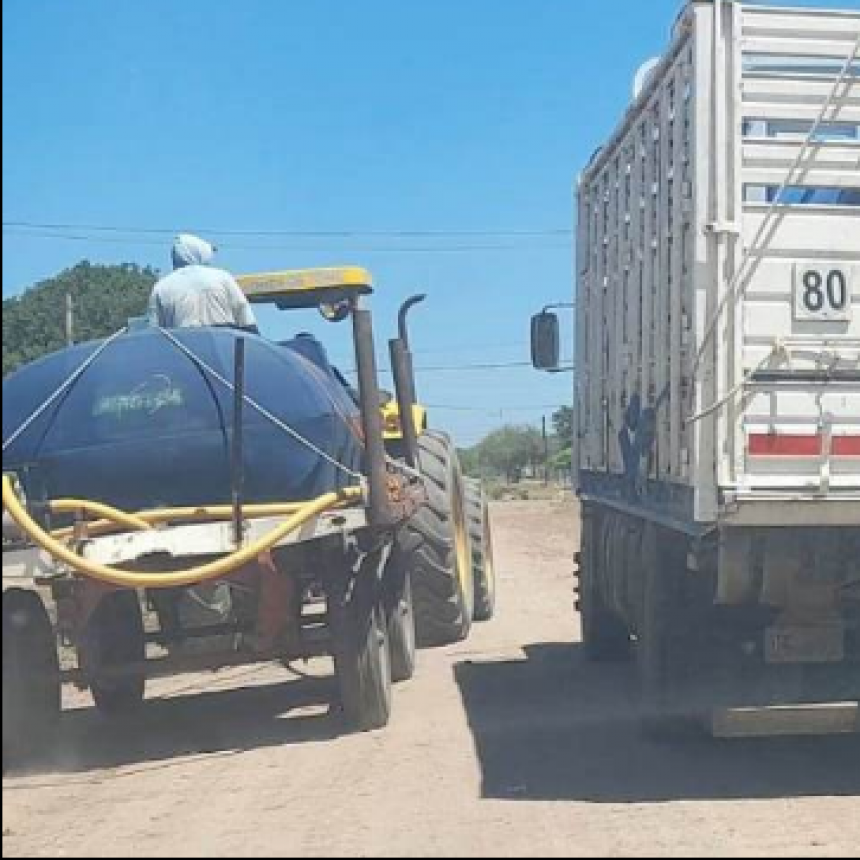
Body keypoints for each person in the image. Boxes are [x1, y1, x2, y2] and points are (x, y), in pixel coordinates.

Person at [149, 233, 259, 333]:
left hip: (181, 349)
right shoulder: (222, 277)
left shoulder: (161, 287)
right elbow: (246, 319)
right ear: (200, 253)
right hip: (223, 348)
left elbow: (154, 333)